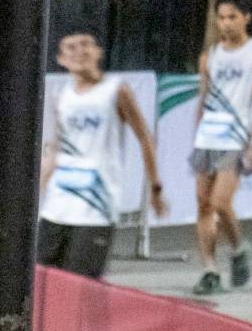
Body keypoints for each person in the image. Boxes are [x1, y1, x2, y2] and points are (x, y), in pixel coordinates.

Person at [36, 28, 165, 279]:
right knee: (42, 282)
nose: (79, 51)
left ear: (98, 52)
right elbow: (55, 148)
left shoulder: (116, 91)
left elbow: (144, 137)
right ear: (61, 59)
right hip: (58, 205)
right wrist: (39, 190)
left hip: (96, 206)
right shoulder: (61, 96)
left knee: (81, 285)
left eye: (85, 44)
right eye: (70, 48)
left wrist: (155, 188)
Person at [190, 0, 252, 296]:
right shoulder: (209, 56)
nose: (226, 23)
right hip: (208, 137)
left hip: (237, 136)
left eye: (232, 17)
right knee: (202, 204)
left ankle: (239, 248)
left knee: (221, 202)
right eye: (221, 17)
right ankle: (210, 270)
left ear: (246, 17)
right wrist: (197, 134)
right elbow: (204, 98)